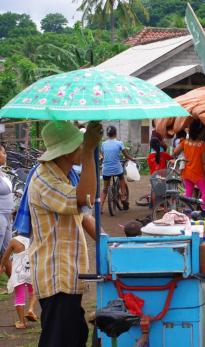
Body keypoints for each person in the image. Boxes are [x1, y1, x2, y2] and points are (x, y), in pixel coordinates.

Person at [28, 121, 101, 346]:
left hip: (68, 273)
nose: (81, 149)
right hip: (56, 275)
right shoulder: (44, 179)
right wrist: (89, 151)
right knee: (60, 339)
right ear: (67, 151)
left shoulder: (64, 175)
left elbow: (83, 214)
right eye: (79, 146)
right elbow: (83, 198)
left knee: (75, 335)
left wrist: (109, 242)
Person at [1, 235, 37, 329]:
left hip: (18, 273)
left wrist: (1, 266)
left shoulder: (14, 241)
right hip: (31, 270)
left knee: (19, 297)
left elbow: (5, 257)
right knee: (33, 291)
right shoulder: (35, 237)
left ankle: (22, 322)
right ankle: (31, 309)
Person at [174, 120, 205, 210]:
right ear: (199, 132)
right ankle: (202, 211)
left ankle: (188, 213)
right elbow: (204, 163)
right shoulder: (202, 145)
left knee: (188, 193)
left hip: (187, 173)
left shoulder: (184, 142)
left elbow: (175, 152)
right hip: (198, 173)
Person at [100, 126, 134, 212]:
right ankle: (123, 196)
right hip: (116, 168)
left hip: (106, 169)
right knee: (122, 178)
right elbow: (126, 155)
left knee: (105, 189)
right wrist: (131, 159)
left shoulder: (103, 144)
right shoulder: (119, 143)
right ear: (115, 133)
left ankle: (100, 208)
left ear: (107, 134)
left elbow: (104, 156)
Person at [0, 143, 13, 271]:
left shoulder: (2, 173)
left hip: (7, 216)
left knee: (7, 253)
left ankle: (17, 289)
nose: (5, 155)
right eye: (3, 153)